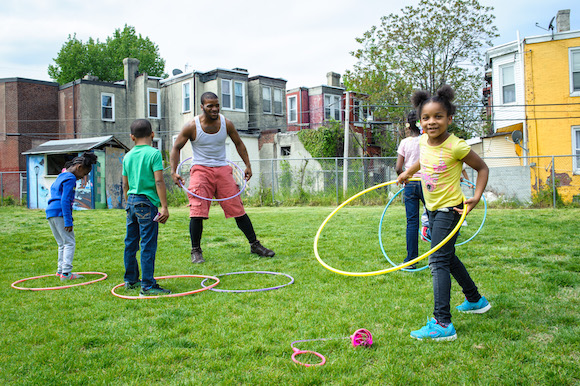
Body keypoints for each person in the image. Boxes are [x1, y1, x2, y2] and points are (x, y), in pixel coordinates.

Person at [397, 85, 491, 341]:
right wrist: (408, 172)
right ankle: (475, 300)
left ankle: (442, 323)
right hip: (432, 208)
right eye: (426, 117)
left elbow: (482, 168)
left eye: (438, 116)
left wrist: (476, 196)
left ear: (449, 118)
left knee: (437, 260)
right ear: (420, 121)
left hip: (451, 209)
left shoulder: (457, 146)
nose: (431, 122)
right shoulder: (422, 141)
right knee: (447, 257)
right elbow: (423, 160)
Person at [170, 92, 275, 263]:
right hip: (200, 170)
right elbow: (176, 148)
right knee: (196, 212)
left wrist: (248, 165)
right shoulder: (192, 126)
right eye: (210, 105)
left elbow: (239, 143)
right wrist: (173, 171)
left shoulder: (226, 124)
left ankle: (255, 245)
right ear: (202, 107)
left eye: (217, 105)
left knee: (238, 210)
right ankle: (196, 251)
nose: (214, 108)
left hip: (222, 169)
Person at [122, 119, 171, 296]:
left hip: (131, 202)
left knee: (130, 243)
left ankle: (130, 280)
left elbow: (125, 184)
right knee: (147, 245)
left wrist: (128, 202)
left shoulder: (127, 156)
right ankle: (148, 285)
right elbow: (158, 180)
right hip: (146, 203)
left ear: (132, 137)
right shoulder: (154, 154)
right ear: (152, 134)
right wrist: (164, 206)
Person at [46, 152, 98, 281]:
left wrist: (68, 216)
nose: (82, 178)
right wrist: (68, 220)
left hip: (51, 212)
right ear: (79, 167)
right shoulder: (70, 178)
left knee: (61, 243)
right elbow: (65, 200)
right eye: (84, 174)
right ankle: (66, 273)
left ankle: (60, 271)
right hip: (60, 212)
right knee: (69, 243)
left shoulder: (62, 175)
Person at [395, 110, 424, 269]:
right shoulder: (427, 140)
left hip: (411, 184)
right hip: (428, 183)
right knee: (435, 220)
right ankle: (441, 257)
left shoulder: (404, 142)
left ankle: (411, 260)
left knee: (412, 223)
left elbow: (398, 167)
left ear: (408, 125)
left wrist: (404, 177)